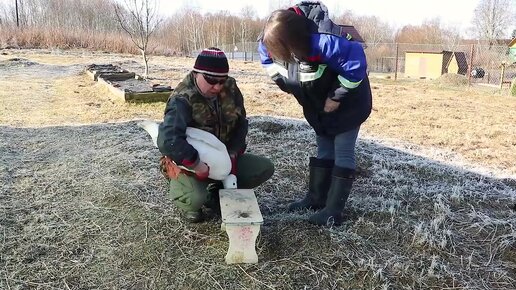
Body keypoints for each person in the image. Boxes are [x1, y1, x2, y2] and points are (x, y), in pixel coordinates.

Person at [258, 1, 372, 226]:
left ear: (293, 42)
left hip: (349, 104)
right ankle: (317, 198)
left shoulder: (325, 42)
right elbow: (267, 59)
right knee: (324, 147)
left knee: (343, 150)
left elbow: (356, 64)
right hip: (317, 104)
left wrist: (336, 96)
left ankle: (333, 210)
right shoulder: (269, 43)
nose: (273, 52)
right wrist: (285, 83)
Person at [157, 47, 274, 223]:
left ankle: (216, 195)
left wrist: (234, 152)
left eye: (222, 80)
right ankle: (187, 196)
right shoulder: (182, 98)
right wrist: (196, 165)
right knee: (195, 198)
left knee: (263, 168)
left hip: (223, 157)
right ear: (197, 73)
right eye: (211, 80)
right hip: (190, 164)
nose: (217, 86)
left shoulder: (231, 88)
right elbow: (169, 140)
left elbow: (241, 122)